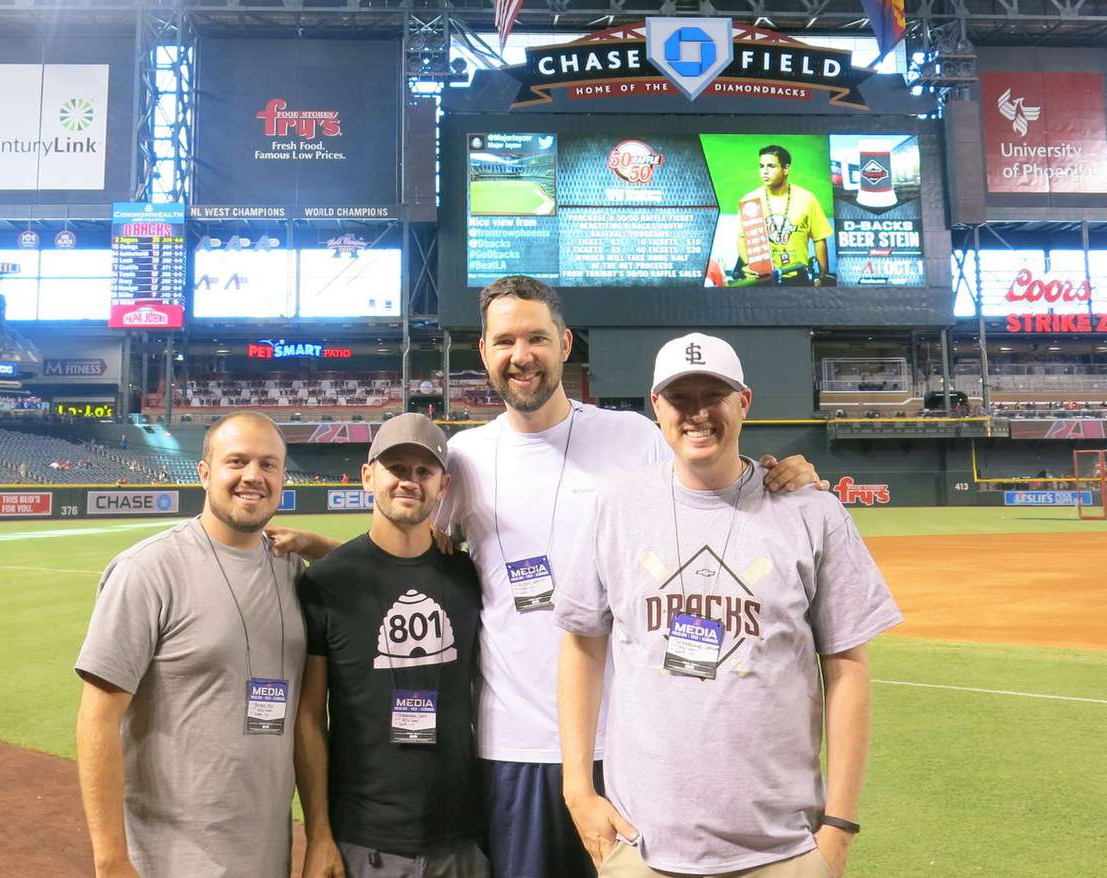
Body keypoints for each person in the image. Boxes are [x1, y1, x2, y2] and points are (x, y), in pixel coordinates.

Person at [432, 276, 829, 878]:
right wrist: (318, 551)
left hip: (638, 749)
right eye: (505, 340)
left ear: (565, 344)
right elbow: (419, 559)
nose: (522, 355)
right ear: (482, 352)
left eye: (536, 337)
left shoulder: (633, 437)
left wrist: (788, 473)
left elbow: (715, 483)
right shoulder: (463, 459)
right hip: (513, 745)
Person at [556, 333, 902, 878]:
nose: (697, 414)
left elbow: (848, 668)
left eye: (712, 395)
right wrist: (577, 788)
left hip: (784, 850)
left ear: (743, 402)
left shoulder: (811, 514)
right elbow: (581, 646)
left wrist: (838, 828)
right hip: (641, 845)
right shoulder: (614, 508)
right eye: (680, 399)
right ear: (656, 408)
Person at [75, 411, 312, 877]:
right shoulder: (146, 571)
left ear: (283, 476)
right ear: (204, 474)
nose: (253, 476)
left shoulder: (291, 570)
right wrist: (110, 860)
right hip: (170, 859)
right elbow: (96, 720)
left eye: (269, 465)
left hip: (267, 853)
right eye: (236, 462)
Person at [296, 413, 489, 878]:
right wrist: (319, 833)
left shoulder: (470, 576)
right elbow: (308, 715)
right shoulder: (326, 581)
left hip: (461, 834)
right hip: (362, 840)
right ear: (368, 476)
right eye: (396, 468)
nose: (410, 481)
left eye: (423, 472)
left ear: (443, 487)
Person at [736, 145, 834, 287]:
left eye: (771, 166)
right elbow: (742, 238)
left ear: (786, 169)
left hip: (799, 277)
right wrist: (748, 264)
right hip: (763, 278)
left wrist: (821, 276)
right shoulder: (750, 200)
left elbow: (819, 240)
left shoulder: (807, 199)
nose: (764, 172)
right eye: (761, 166)